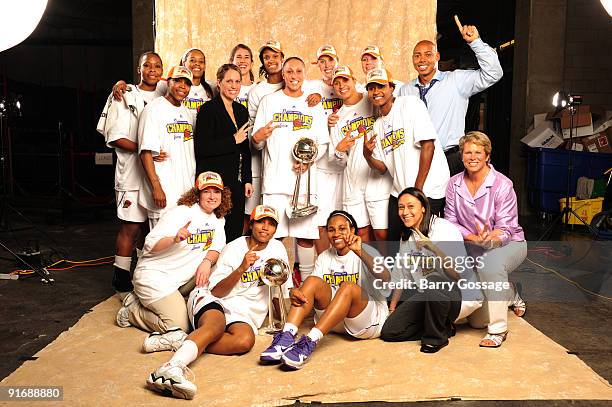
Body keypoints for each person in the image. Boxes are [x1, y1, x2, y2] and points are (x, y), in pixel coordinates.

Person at [146, 205, 291, 400]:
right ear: (251, 224)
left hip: (245, 313)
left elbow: (279, 289)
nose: (265, 227)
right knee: (216, 325)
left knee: (244, 341)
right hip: (213, 298)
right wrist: (241, 268)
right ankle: (170, 368)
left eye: (271, 224)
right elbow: (217, 291)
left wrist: (287, 325)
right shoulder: (234, 248)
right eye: (260, 222)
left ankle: (183, 339)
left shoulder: (278, 249)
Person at [259, 210, 391, 370]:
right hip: (334, 321)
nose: (336, 234)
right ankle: (286, 336)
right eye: (331, 229)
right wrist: (297, 292)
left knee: (347, 287)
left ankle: (309, 342)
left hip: (366, 321)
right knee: (312, 281)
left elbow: (386, 278)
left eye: (342, 229)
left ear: (352, 231)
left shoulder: (366, 251)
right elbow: (311, 293)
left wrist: (359, 250)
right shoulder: (324, 257)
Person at [116, 172, 229, 342]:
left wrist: (206, 262)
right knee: (181, 325)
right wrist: (173, 239)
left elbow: (217, 247)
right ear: (197, 194)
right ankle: (132, 312)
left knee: (221, 265)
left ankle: (156, 300)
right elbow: (149, 245)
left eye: (216, 191)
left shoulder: (218, 219)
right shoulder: (181, 213)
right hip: (155, 277)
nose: (212, 196)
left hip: (182, 280)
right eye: (207, 191)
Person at [444, 131, 527, 348]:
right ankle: (510, 293)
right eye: (467, 152)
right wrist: (472, 237)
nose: (472, 157)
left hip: (510, 244)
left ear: (487, 155)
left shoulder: (502, 184)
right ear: (461, 156)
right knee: (477, 321)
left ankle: (499, 330)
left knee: (491, 264)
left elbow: (507, 228)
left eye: (478, 152)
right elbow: (450, 220)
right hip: (473, 247)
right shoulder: (453, 184)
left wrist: (490, 238)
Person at [251, 57, 329, 283]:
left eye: (298, 71)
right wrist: (258, 137)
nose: (294, 76)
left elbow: (322, 143)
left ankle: (305, 286)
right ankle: (280, 290)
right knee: (275, 238)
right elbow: (256, 143)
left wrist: (308, 161)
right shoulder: (269, 101)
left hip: (304, 181)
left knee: (305, 238)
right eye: (289, 72)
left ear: (304, 74)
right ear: (283, 75)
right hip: (275, 182)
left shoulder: (313, 104)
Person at [380, 187, 483, 353]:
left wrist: (434, 249)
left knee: (434, 280)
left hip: (459, 296)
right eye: (401, 207)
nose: (405, 212)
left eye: (410, 206)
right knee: (390, 331)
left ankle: (435, 339)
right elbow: (400, 276)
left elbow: (457, 275)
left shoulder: (445, 229)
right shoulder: (407, 236)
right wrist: (392, 309)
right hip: (428, 297)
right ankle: (444, 328)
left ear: (423, 207)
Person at [399, 16, 503, 176]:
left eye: (428, 54)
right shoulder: (406, 90)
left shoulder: (455, 80)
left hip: (449, 158)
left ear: (437, 57)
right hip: (415, 158)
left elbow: (493, 74)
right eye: (417, 55)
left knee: (451, 201)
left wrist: (475, 42)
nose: (422, 60)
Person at [96, 51, 164, 297]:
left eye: (157, 66)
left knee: (152, 230)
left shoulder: (165, 92)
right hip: (132, 176)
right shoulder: (123, 94)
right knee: (131, 228)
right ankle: (120, 280)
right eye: (148, 66)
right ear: (139, 69)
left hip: (158, 175)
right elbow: (114, 136)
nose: (153, 70)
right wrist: (147, 148)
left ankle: (142, 278)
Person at [363, 68, 450, 242]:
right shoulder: (377, 126)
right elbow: (382, 168)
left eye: (381, 86)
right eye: (371, 88)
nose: (376, 92)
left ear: (391, 88)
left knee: (426, 243)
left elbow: (428, 145)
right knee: (395, 242)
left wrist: (417, 191)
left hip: (427, 189)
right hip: (400, 192)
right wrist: (367, 155)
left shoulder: (410, 104)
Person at [328, 65, 392, 242]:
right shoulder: (337, 118)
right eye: (337, 83)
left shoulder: (373, 98)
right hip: (354, 180)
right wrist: (339, 149)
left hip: (379, 176)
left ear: (355, 81)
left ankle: (386, 269)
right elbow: (336, 162)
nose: (341, 86)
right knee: (360, 232)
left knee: (381, 233)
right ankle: (366, 269)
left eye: (345, 80)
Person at [194, 64, 252, 242]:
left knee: (234, 232)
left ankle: (230, 269)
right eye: (229, 81)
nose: (234, 86)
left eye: (237, 81)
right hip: (214, 182)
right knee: (215, 233)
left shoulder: (241, 110)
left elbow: (245, 149)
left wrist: (247, 179)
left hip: (235, 183)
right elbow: (202, 149)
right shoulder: (208, 110)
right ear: (219, 83)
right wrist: (233, 140)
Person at [138, 65, 196, 227]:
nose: (182, 86)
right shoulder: (153, 109)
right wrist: (157, 187)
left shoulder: (187, 113)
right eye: (177, 81)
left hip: (186, 190)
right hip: (165, 189)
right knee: (160, 244)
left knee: (179, 244)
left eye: (187, 83)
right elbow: (145, 152)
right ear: (168, 82)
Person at [304, 45, 345, 254]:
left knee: (342, 218)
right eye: (322, 61)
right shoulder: (311, 86)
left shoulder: (347, 84)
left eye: (330, 60)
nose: (327, 65)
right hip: (320, 164)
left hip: (344, 164)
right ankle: (322, 267)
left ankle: (343, 265)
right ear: (317, 64)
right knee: (319, 220)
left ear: (337, 61)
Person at [244, 40, 285, 231]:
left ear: (282, 58)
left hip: (288, 161)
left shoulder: (296, 83)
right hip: (260, 161)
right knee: (255, 216)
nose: (271, 60)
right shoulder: (257, 92)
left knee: (292, 223)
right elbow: (252, 130)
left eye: (275, 56)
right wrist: (257, 138)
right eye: (266, 57)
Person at [229, 43, 255, 108]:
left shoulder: (258, 88)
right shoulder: (226, 89)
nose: (242, 61)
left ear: (251, 63)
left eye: (246, 57)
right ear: (231, 62)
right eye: (238, 57)